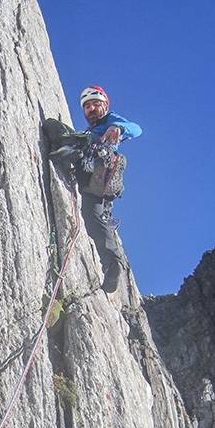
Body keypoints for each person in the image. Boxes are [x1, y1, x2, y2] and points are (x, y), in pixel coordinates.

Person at [43, 86, 142, 293]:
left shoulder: (110, 122)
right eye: (87, 106)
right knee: (92, 217)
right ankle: (112, 264)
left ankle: (68, 150)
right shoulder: (91, 129)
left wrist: (118, 129)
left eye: (96, 104)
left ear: (105, 106)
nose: (92, 108)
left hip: (98, 167)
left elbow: (136, 128)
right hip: (91, 182)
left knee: (69, 135)